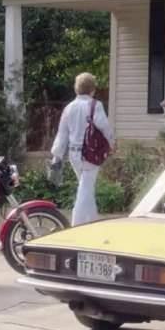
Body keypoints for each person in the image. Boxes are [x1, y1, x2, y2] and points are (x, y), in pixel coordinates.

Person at [51, 73, 115, 226]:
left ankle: (92, 223)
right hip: (91, 154)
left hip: (74, 155)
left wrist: (57, 155)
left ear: (76, 89)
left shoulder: (69, 108)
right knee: (85, 189)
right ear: (92, 89)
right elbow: (105, 128)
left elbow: (62, 133)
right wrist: (112, 144)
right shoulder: (95, 105)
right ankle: (76, 225)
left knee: (86, 187)